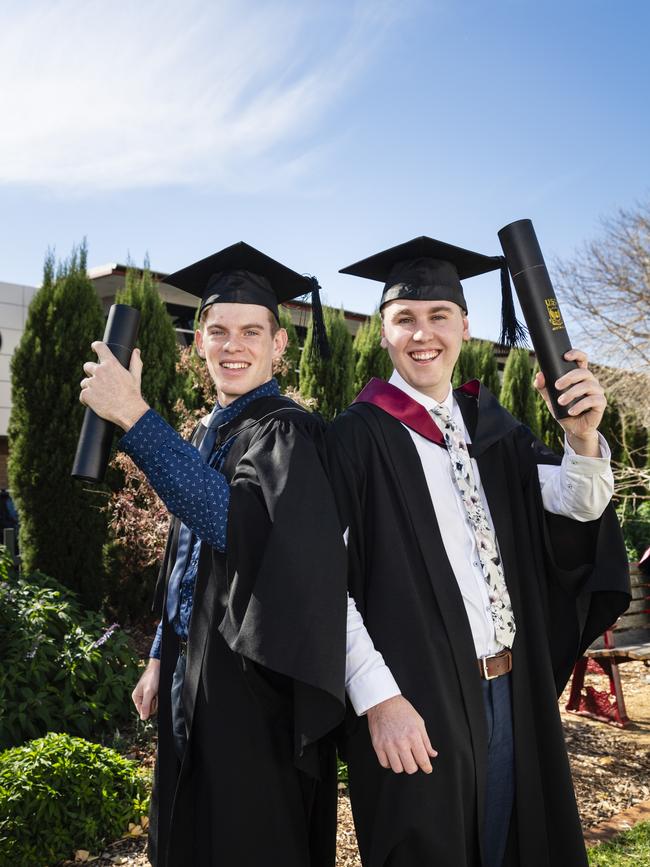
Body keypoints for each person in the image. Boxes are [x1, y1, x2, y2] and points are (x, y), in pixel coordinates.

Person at [326, 236, 630, 867]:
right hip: (415, 698)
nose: (422, 333)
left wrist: (582, 436)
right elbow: (323, 585)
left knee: (509, 845)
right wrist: (377, 700)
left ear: (465, 325)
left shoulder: (493, 429)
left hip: (508, 687)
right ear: (383, 332)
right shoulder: (353, 440)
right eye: (404, 319)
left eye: (439, 315)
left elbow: (574, 506)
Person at [79, 243, 347, 867]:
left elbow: (232, 525)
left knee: (243, 839)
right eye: (219, 330)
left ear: (279, 345)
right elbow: (186, 550)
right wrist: (156, 655)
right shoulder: (213, 431)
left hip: (253, 686)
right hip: (190, 665)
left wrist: (135, 416)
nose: (234, 345)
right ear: (198, 339)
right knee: (186, 834)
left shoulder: (288, 432)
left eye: (252, 331)